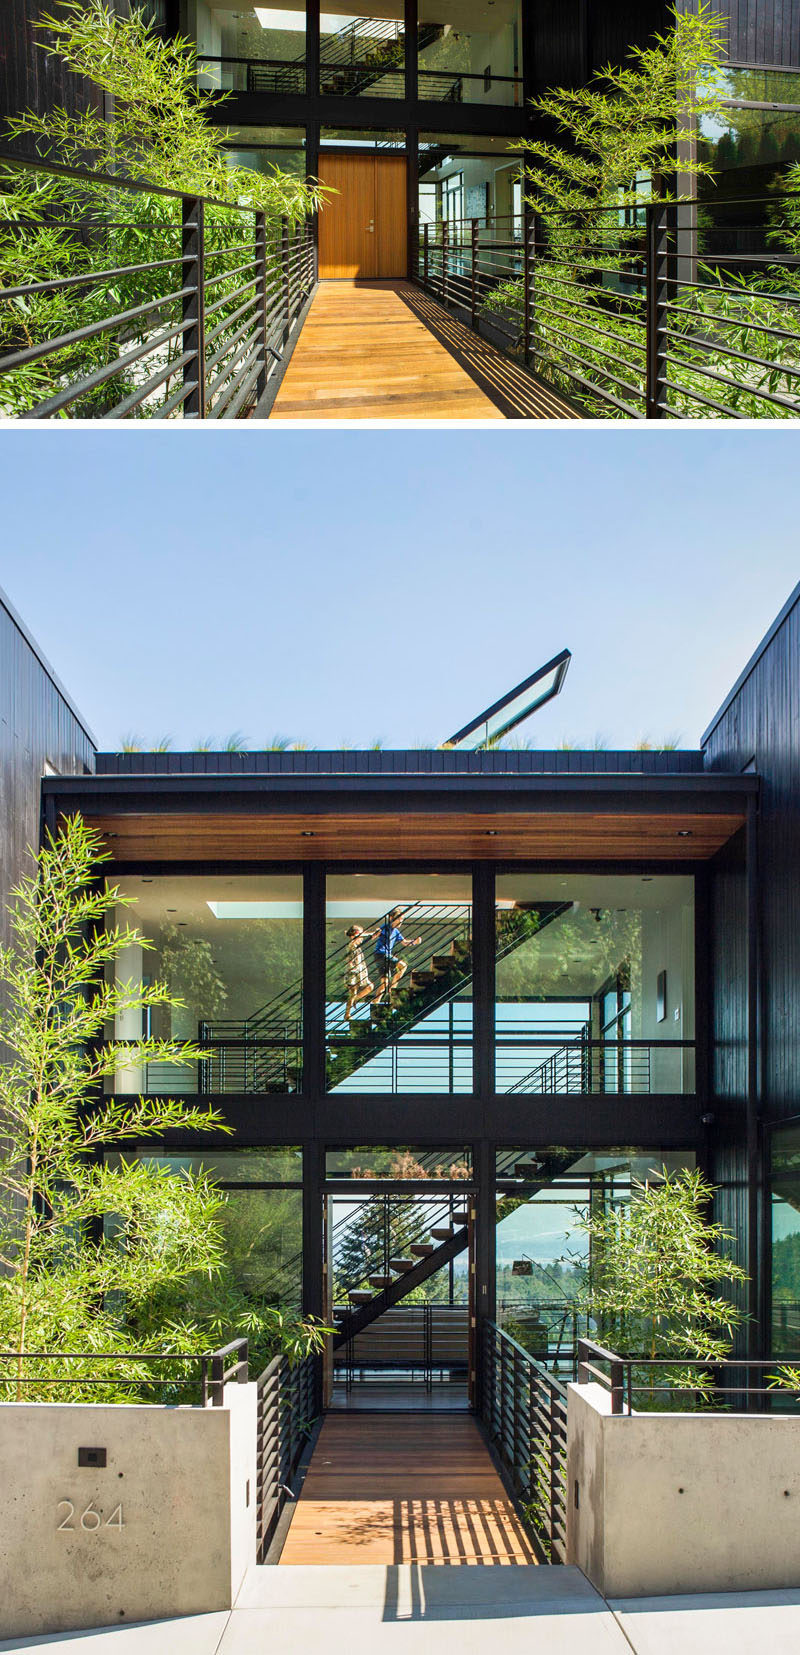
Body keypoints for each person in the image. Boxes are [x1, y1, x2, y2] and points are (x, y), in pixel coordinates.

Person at [372, 908, 423, 1005]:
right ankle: (393, 989)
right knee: (403, 966)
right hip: (381, 954)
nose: (401, 921)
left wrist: (414, 942)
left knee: (384, 983)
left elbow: (405, 943)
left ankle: (375, 1003)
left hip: (382, 955)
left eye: (402, 919)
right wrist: (376, 933)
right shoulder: (386, 927)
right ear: (391, 918)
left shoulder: (396, 932)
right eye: (399, 919)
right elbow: (377, 933)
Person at [344, 924, 379, 1021]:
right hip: (352, 973)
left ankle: (356, 999)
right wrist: (371, 933)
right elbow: (358, 937)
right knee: (353, 992)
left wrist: (374, 935)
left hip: (360, 972)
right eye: (360, 935)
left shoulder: (357, 947)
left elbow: (362, 937)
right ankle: (347, 1014)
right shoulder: (351, 945)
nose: (362, 938)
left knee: (369, 987)